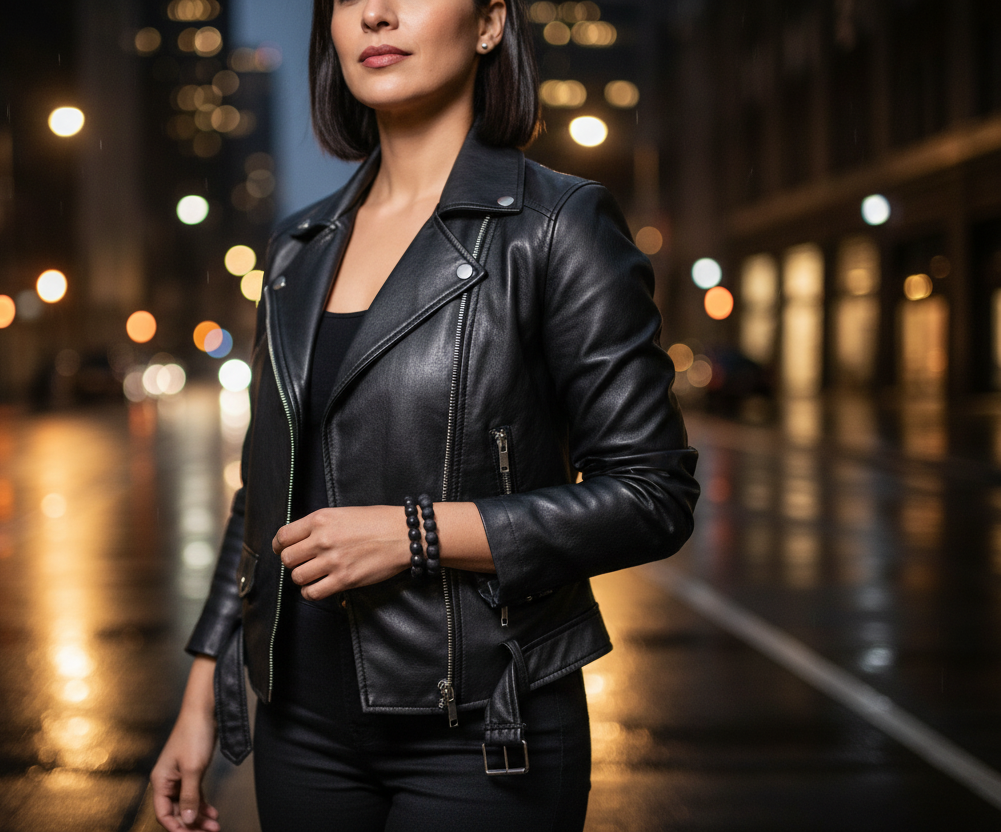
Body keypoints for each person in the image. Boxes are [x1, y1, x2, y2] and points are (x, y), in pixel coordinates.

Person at [151, 0, 699, 829]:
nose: (375, 13)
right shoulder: (299, 246)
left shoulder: (556, 227)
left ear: (488, 24)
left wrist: (417, 534)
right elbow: (263, 497)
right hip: (301, 732)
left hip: (483, 734)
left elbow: (653, 495)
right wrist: (203, 693)